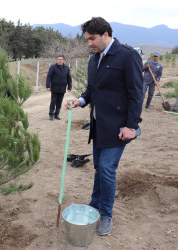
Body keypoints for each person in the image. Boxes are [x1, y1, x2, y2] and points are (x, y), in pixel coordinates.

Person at [65, 17, 143, 236]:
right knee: (99, 167)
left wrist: (131, 126)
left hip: (119, 128)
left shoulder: (127, 56)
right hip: (99, 126)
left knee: (107, 169)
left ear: (106, 34)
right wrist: (80, 101)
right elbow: (92, 89)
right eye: (88, 39)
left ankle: (106, 214)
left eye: (92, 38)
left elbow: (136, 93)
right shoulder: (94, 60)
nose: (89, 43)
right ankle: (95, 205)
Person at [46, 55, 72, 120]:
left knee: (59, 102)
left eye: (60, 59)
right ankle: (51, 114)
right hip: (54, 87)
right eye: (58, 59)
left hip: (62, 87)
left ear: (64, 60)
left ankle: (57, 114)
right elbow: (49, 76)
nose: (59, 60)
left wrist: (69, 86)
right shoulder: (53, 67)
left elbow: (69, 78)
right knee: (53, 101)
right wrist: (48, 86)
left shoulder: (67, 68)